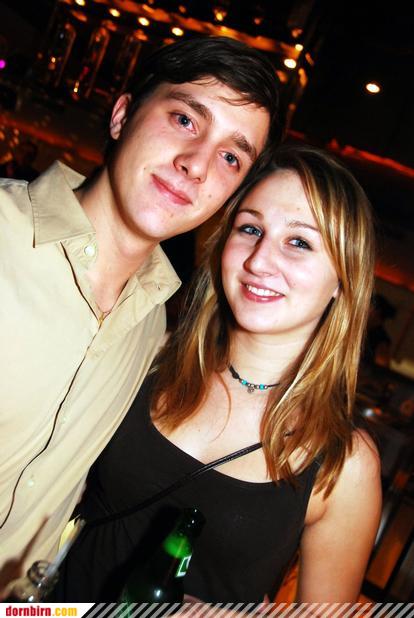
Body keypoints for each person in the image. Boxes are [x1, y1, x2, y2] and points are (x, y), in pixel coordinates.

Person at [0, 35, 282, 588]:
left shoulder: (153, 326)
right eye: (184, 119)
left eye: (230, 157)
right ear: (121, 115)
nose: (196, 165)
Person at [54, 143, 382, 603]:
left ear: (342, 281)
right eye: (250, 229)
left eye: (299, 242)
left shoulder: (345, 464)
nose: (259, 261)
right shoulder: (150, 353)